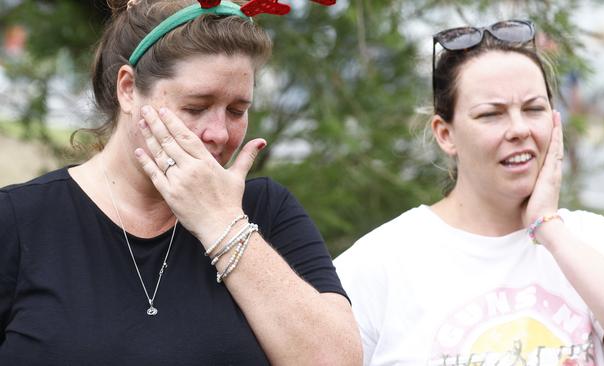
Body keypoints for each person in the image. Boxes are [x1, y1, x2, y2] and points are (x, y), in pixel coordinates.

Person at [0, 0, 362, 365]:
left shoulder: (266, 212)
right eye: (195, 107)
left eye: (237, 111)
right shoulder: (18, 220)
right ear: (128, 89)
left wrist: (223, 225)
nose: (219, 133)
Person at [335, 20, 604, 366]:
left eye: (533, 109)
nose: (519, 129)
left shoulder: (593, 240)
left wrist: (549, 228)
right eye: (491, 114)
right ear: (445, 134)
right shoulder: (378, 265)